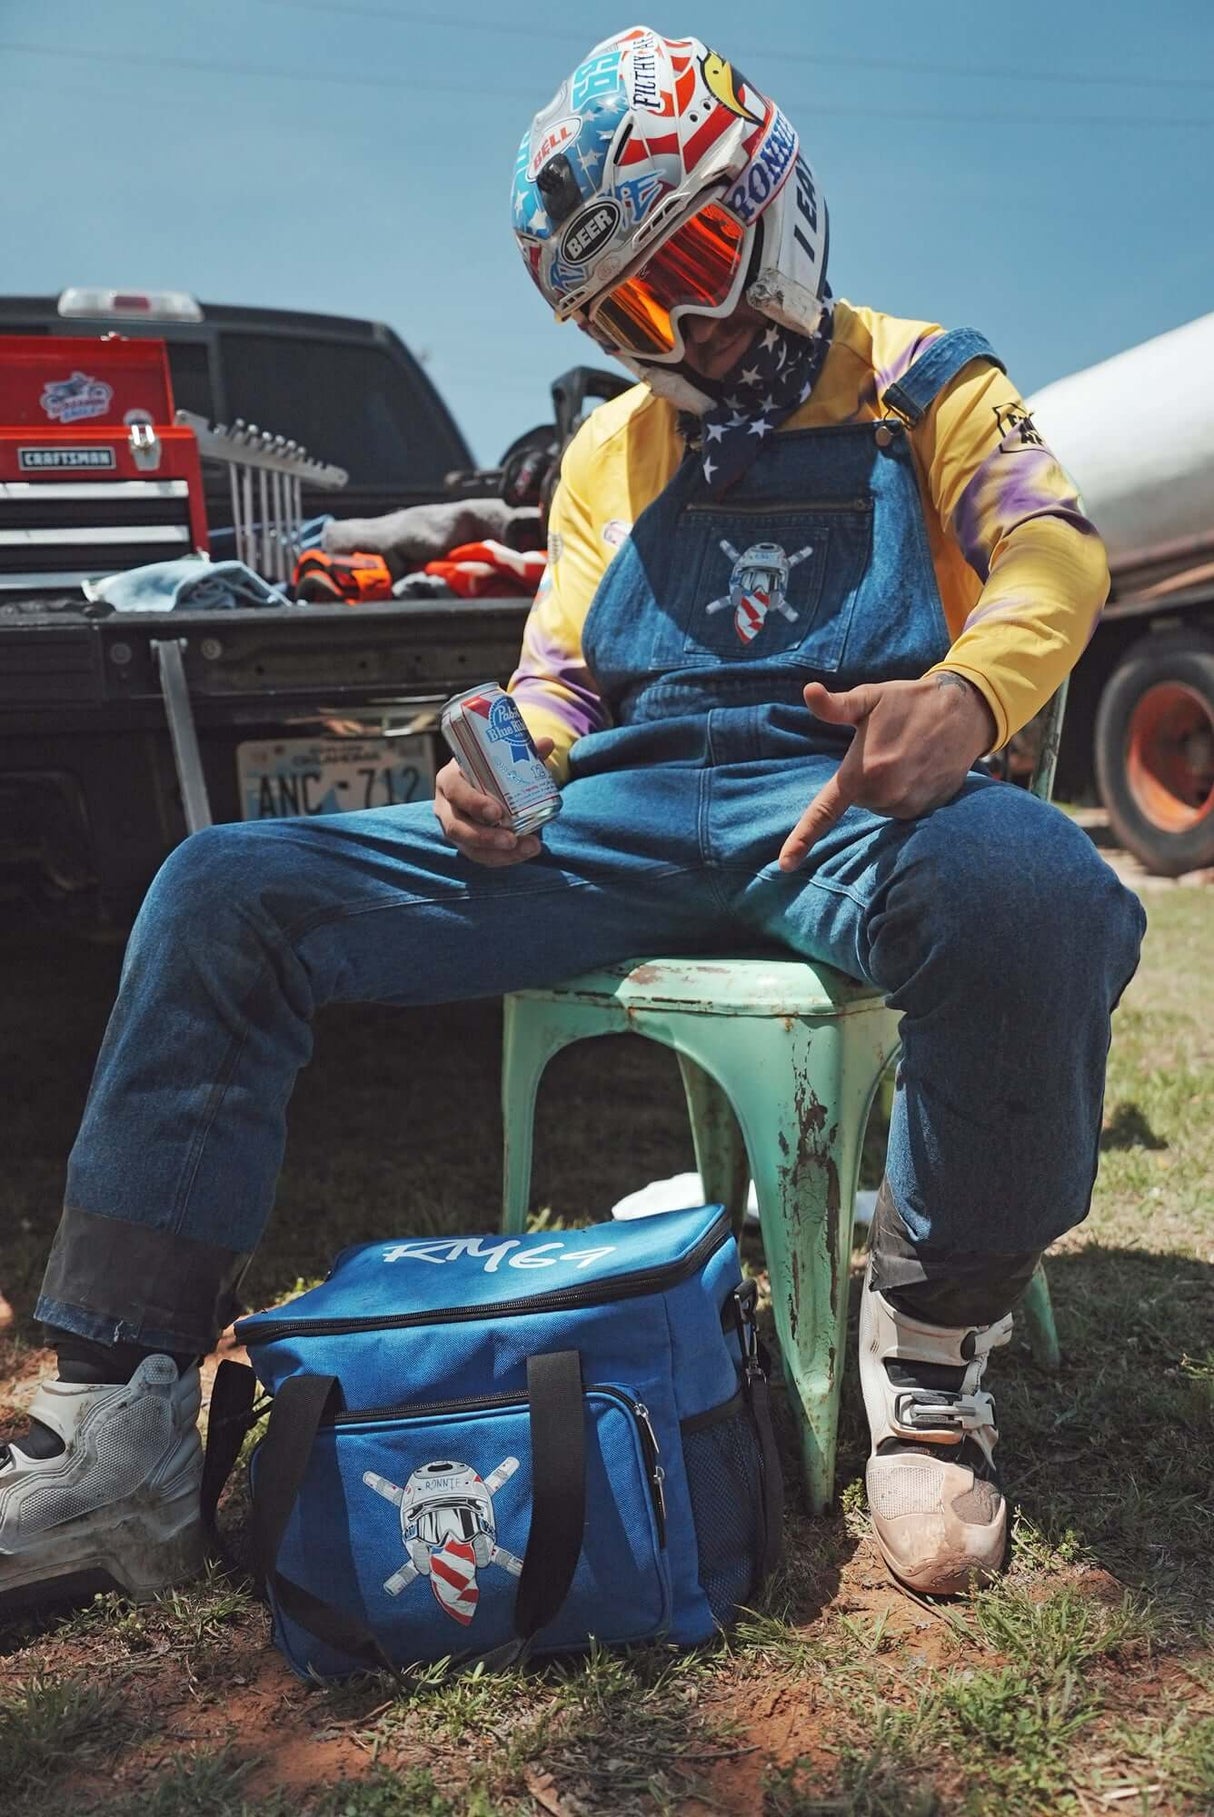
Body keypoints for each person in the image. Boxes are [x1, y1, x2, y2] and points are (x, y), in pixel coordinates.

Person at [0, 28, 1144, 1612]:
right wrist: (505, 762)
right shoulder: (609, 444)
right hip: (607, 828)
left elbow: (1052, 558)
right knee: (221, 888)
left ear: (778, 197)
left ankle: (931, 1350)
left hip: (846, 800)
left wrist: (960, 697)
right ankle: (112, 1414)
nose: (679, 330)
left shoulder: (927, 377)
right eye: (625, 312)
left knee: (1036, 888)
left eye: (692, 263)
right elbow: (557, 678)